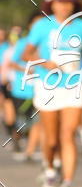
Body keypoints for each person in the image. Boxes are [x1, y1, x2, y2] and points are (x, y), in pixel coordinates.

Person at [22, 0, 82, 187]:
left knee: (68, 134)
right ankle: (50, 170)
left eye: (68, 2)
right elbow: (26, 54)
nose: (64, 6)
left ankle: (68, 182)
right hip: (48, 86)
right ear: (53, 4)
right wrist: (45, 63)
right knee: (51, 140)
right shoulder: (43, 25)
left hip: (74, 86)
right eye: (60, 2)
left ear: (74, 4)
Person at [10, 11, 43, 162]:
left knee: (37, 121)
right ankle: (16, 138)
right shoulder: (23, 43)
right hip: (21, 89)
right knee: (22, 120)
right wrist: (27, 69)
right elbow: (11, 63)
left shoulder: (47, 42)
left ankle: (29, 151)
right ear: (30, 26)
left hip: (40, 89)